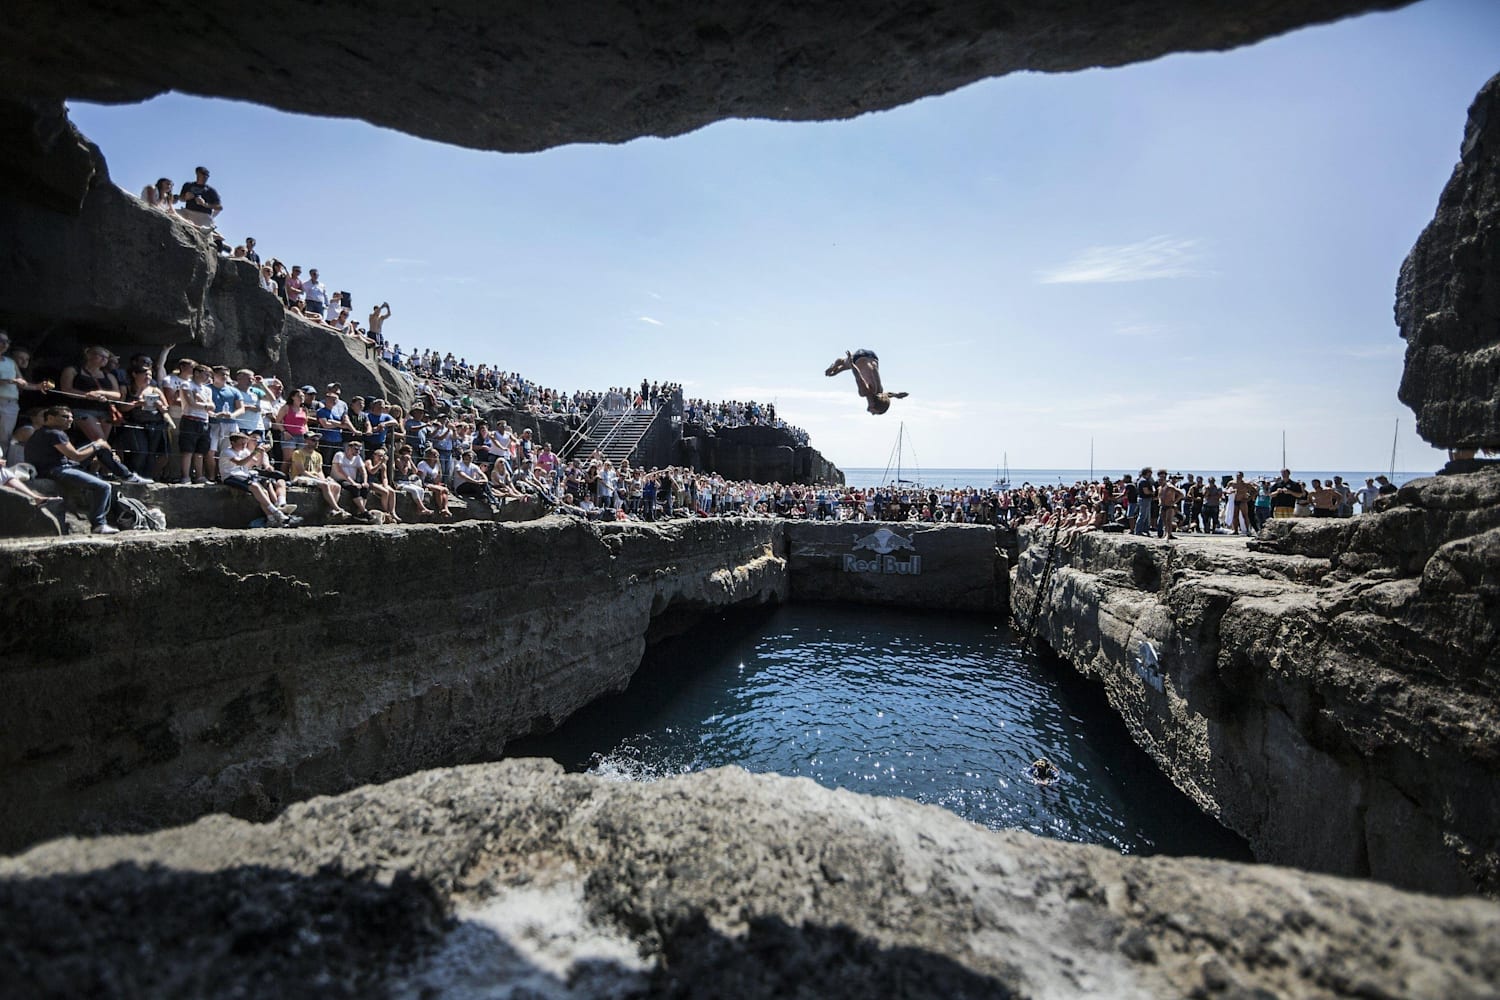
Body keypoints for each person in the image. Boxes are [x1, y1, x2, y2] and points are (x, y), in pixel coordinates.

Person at [23, 406, 124, 533]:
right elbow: (76, 456)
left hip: (53, 467)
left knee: (100, 449)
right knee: (104, 487)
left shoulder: (40, 432)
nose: (70, 420)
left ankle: (124, 474)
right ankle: (99, 524)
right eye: (65, 417)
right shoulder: (55, 433)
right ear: (50, 418)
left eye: (71, 417)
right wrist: (97, 445)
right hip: (56, 470)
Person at [824, 349, 908, 415]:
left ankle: (835, 369)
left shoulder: (880, 392)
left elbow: (888, 395)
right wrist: (852, 364)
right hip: (859, 357)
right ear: (873, 404)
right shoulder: (865, 392)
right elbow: (858, 377)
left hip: (873, 357)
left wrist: (896, 395)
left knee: (836, 372)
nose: (872, 414)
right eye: (874, 412)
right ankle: (835, 366)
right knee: (842, 363)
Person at [288, 433, 350, 521]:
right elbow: (301, 471)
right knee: (324, 485)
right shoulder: (298, 453)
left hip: (313, 478)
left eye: (317, 440)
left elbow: (319, 470)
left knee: (337, 486)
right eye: (313, 440)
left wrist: (323, 479)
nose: (316, 442)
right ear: (306, 441)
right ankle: (337, 509)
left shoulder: (318, 455)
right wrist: (318, 479)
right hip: (300, 477)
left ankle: (331, 511)